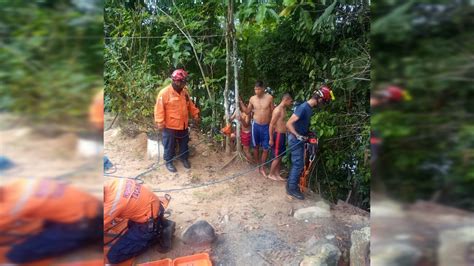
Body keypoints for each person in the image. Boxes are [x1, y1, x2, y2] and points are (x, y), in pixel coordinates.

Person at [0, 178, 102, 264]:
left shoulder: (11, 207)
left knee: (17, 254)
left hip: (82, 223)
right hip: (93, 207)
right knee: (41, 224)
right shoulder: (18, 183)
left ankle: (87, 237)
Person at [103, 178, 175, 264]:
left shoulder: (111, 205)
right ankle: (160, 225)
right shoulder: (113, 182)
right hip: (154, 207)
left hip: (149, 223)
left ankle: (160, 232)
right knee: (129, 226)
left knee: (113, 257)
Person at [286, 86, 335, 200]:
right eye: (323, 101)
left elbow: (301, 124)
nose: (322, 104)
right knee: (298, 164)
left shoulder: (309, 108)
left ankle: (290, 185)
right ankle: (292, 189)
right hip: (295, 139)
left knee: (298, 163)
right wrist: (298, 136)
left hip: (299, 138)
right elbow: (288, 124)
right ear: (320, 99)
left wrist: (308, 133)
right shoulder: (303, 108)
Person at [154, 69, 200, 173]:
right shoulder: (164, 93)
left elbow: (190, 105)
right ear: (177, 81)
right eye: (183, 82)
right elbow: (159, 109)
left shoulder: (184, 93)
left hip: (183, 125)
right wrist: (160, 122)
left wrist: (195, 114)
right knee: (169, 145)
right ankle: (168, 161)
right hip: (170, 126)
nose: (184, 84)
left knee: (184, 143)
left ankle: (183, 158)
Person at [240, 81, 274, 176]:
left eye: (258, 89)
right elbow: (247, 111)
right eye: (255, 89)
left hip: (266, 126)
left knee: (265, 148)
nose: (256, 91)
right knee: (255, 147)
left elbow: (273, 112)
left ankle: (262, 167)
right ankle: (257, 165)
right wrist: (240, 102)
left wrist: (273, 125)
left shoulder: (269, 98)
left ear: (263, 88)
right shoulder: (252, 99)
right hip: (256, 126)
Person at [268, 93, 293, 181]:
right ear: (286, 100)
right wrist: (271, 138)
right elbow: (271, 124)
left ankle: (277, 174)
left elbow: (283, 123)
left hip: (282, 135)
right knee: (277, 156)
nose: (291, 103)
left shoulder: (284, 109)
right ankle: (271, 174)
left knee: (281, 155)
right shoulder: (278, 110)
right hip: (278, 135)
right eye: (290, 101)